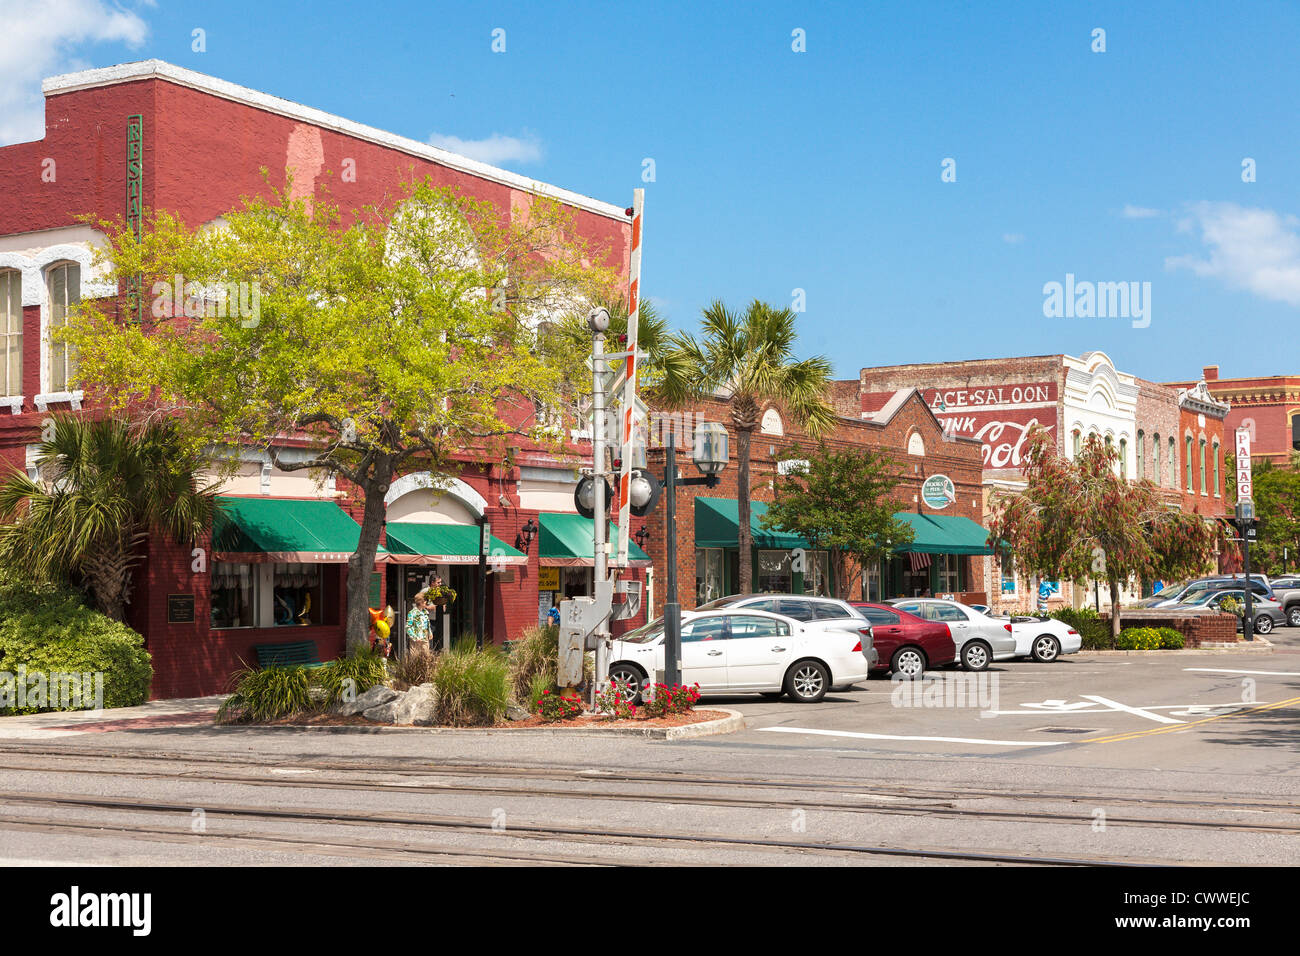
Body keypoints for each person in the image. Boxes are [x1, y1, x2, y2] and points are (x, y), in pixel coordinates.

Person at [406, 589, 433, 657]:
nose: (426, 603)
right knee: (415, 660)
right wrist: (415, 637)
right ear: (420, 603)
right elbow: (408, 627)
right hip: (416, 640)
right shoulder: (412, 613)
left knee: (426, 658)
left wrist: (430, 632)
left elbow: (427, 624)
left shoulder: (425, 612)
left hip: (425, 639)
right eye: (424, 602)